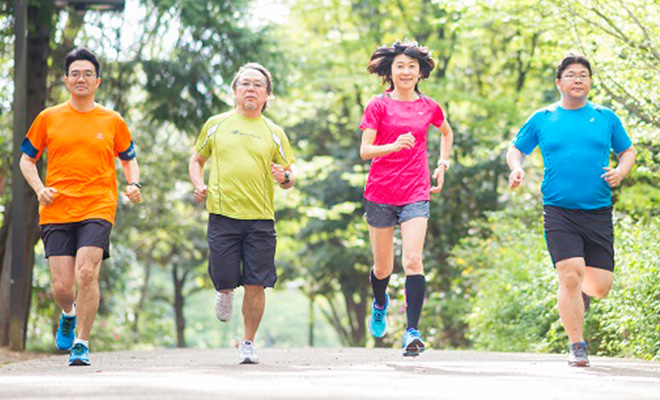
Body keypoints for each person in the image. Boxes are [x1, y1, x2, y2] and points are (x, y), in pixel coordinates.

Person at [507, 54, 636, 367]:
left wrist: (621, 171)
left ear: (589, 82)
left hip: (598, 210)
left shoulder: (606, 117)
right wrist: (516, 168)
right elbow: (516, 149)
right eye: (571, 75)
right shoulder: (543, 118)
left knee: (601, 287)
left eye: (583, 75)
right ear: (558, 82)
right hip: (558, 209)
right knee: (569, 274)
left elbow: (628, 150)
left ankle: (580, 293)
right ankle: (577, 345)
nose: (578, 80)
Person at [19, 47, 142, 366]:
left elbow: (128, 159)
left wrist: (133, 183)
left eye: (88, 73)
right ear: (66, 80)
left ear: (97, 81)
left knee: (87, 272)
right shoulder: (48, 118)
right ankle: (68, 313)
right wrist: (39, 188)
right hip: (57, 208)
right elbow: (26, 160)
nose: (82, 78)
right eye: (75, 73)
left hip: (98, 207)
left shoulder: (112, 120)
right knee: (62, 286)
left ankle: (81, 343)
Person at [189, 62, 295, 365]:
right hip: (223, 213)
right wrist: (198, 184)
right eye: (245, 84)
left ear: (266, 95)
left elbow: (289, 177)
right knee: (224, 274)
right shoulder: (215, 124)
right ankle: (224, 290)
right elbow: (197, 160)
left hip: (261, 218)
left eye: (257, 85)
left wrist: (284, 177)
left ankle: (248, 342)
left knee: (256, 281)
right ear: (235, 91)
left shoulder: (275, 133)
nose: (251, 89)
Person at [359, 41, 454, 357]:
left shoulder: (429, 106)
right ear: (390, 70)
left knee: (413, 260)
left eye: (411, 66)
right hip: (381, 193)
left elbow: (446, 133)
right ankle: (381, 301)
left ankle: (412, 332)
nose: (406, 71)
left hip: (416, 191)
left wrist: (442, 163)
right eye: (400, 65)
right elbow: (365, 151)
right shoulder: (378, 105)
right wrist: (393, 145)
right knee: (382, 267)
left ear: (420, 72)